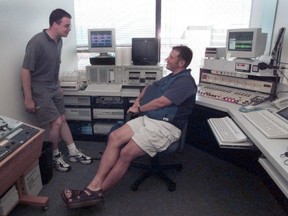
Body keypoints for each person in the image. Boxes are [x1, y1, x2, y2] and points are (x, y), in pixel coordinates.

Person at [61, 45, 197, 208]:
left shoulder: (185, 82)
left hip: (166, 126)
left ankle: (96, 193)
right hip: (149, 118)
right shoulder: (170, 77)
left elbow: (162, 102)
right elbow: (148, 87)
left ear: (181, 62)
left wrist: (138, 109)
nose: (167, 59)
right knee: (114, 137)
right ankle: (93, 185)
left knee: (126, 153)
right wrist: (138, 101)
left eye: (171, 57)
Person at [21, 8, 92, 172]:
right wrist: (28, 98)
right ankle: (55, 155)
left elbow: (54, 65)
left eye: (70, 26)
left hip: (53, 86)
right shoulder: (37, 42)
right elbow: (25, 70)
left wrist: (58, 85)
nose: (69, 29)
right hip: (39, 88)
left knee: (62, 118)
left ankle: (73, 151)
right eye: (67, 26)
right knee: (57, 122)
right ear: (55, 24)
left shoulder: (59, 40)